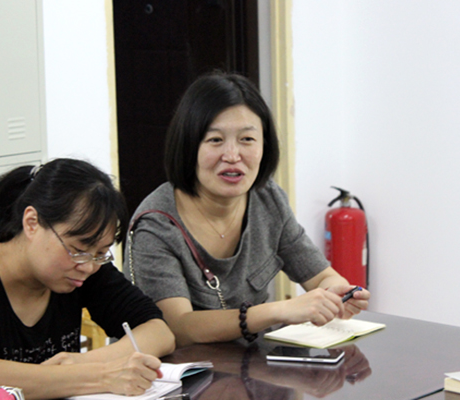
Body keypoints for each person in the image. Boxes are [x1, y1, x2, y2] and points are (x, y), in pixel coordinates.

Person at [125, 72, 370, 348]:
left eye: (247, 139)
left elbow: (321, 276)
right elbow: (179, 328)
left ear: (265, 146)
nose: (232, 155)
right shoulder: (155, 225)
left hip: (249, 364)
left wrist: (336, 294)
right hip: (181, 370)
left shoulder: (268, 200)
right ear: (188, 146)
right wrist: (278, 310)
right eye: (215, 140)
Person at [0, 158, 176, 400]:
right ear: (32, 223)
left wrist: (82, 362)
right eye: (77, 249)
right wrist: (100, 375)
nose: (88, 266)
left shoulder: (85, 268)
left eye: (101, 253)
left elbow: (158, 332)